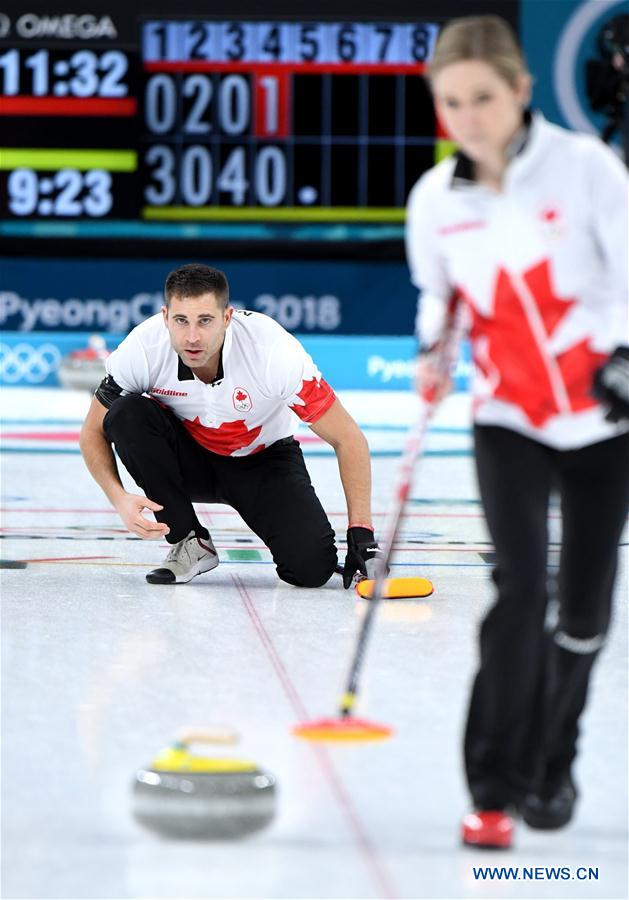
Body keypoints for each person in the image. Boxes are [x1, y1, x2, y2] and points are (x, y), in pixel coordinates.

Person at [406, 15, 629, 849]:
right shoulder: (436, 199)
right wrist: (433, 349)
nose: (467, 117)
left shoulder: (585, 170)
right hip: (507, 417)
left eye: (483, 98)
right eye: (450, 101)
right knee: (519, 594)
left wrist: (624, 354)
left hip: (603, 417)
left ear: (520, 91)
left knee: (581, 615)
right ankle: (493, 791)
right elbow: (438, 296)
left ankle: (554, 759)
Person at [80, 263, 379, 589]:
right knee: (125, 414)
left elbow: (348, 438)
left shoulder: (273, 352)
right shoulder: (143, 348)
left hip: (264, 462)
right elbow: (92, 431)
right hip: (187, 459)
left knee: (311, 570)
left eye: (205, 321)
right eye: (181, 321)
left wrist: (362, 533)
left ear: (227, 317)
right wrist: (118, 497)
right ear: (165, 317)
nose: (192, 336)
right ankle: (189, 541)